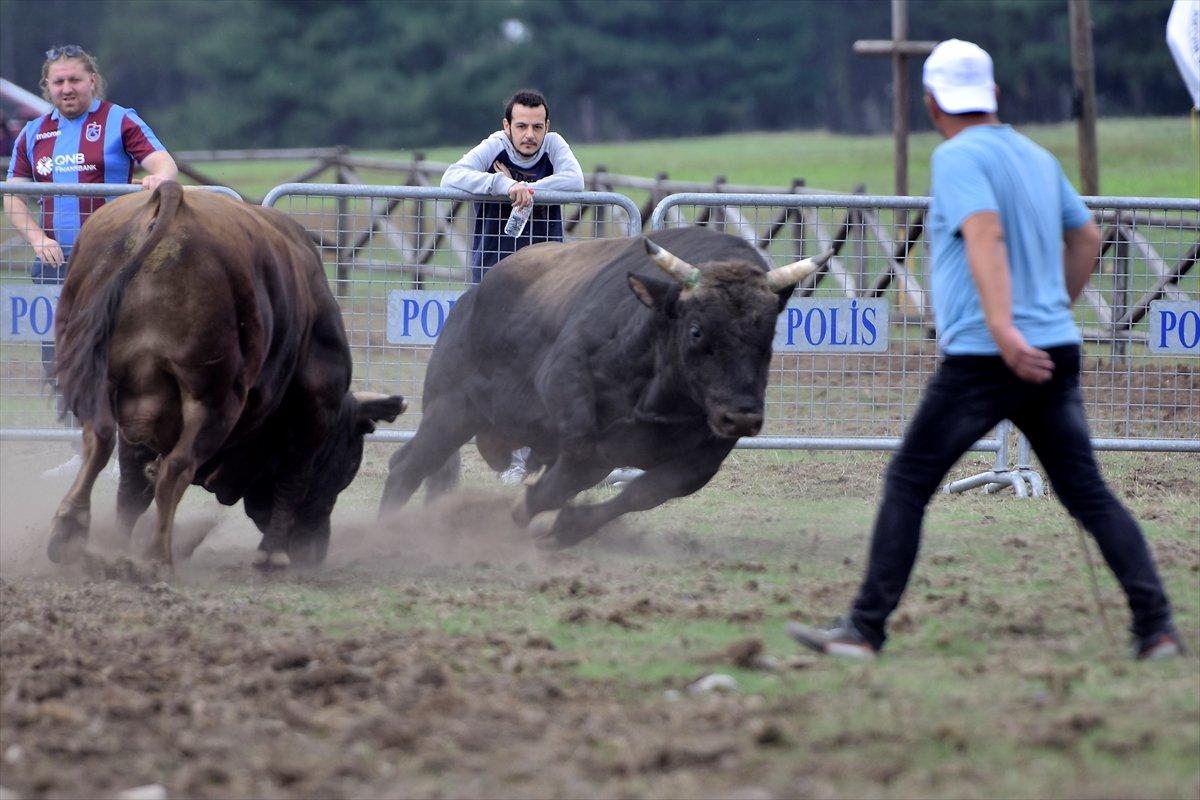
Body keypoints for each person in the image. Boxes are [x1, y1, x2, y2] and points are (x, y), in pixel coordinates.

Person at [788, 40, 1185, 661]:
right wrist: (1050, 310)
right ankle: (1156, 628)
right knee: (1087, 493)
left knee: (909, 480)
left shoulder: (956, 157)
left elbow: (985, 231)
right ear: (994, 96)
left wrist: (1004, 328)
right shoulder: (1033, 154)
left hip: (984, 356)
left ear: (931, 104)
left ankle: (864, 631)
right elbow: (1085, 235)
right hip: (1052, 348)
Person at [3, 44, 178, 479]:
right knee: (60, 359)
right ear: (47, 86)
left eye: (75, 80)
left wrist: (159, 177)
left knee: (122, 356)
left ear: (91, 81)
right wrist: (37, 236)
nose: (67, 88)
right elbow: (14, 196)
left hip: (117, 265)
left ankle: (130, 453)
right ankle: (81, 450)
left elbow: (163, 162)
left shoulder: (121, 120)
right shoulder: (32, 133)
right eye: (58, 81)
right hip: (56, 267)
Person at [441, 89, 584, 485]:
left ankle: (559, 459)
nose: (529, 135)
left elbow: (576, 180)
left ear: (547, 127)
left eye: (537, 126)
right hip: (494, 278)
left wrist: (528, 189)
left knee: (550, 366)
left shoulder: (554, 147)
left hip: (546, 280)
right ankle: (510, 461)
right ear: (507, 126)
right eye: (521, 125)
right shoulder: (494, 147)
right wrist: (501, 187)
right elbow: (451, 176)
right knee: (499, 371)